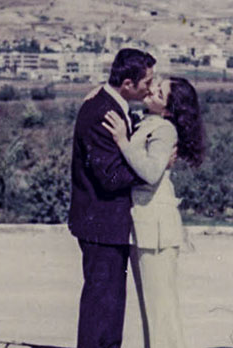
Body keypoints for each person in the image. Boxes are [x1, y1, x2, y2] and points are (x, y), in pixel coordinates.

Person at [101, 76, 206, 348]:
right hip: (145, 226)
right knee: (153, 308)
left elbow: (149, 172)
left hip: (156, 229)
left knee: (161, 311)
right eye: (156, 85)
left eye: (160, 92)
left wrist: (123, 142)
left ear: (169, 109)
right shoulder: (147, 120)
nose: (152, 90)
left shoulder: (164, 129)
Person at [70, 48, 155, 348]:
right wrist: (150, 170)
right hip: (101, 225)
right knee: (101, 309)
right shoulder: (101, 112)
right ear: (128, 84)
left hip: (108, 225)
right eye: (147, 82)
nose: (150, 87)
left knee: (110, 306)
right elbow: (110, 176)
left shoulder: (111, 104)